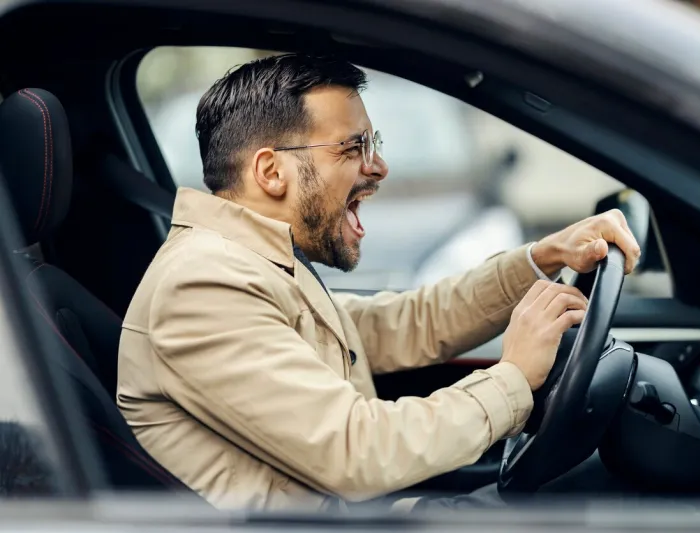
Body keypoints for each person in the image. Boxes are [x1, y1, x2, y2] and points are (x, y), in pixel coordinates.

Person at [117, 53, 640, 512]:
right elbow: (354, 450)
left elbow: (403, 323)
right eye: (353, 147)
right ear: (272, 173)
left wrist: (540, 258)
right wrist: (514, 376)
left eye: (375, 143)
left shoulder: (253, 263)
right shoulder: (204, 285)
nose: (380, 166)